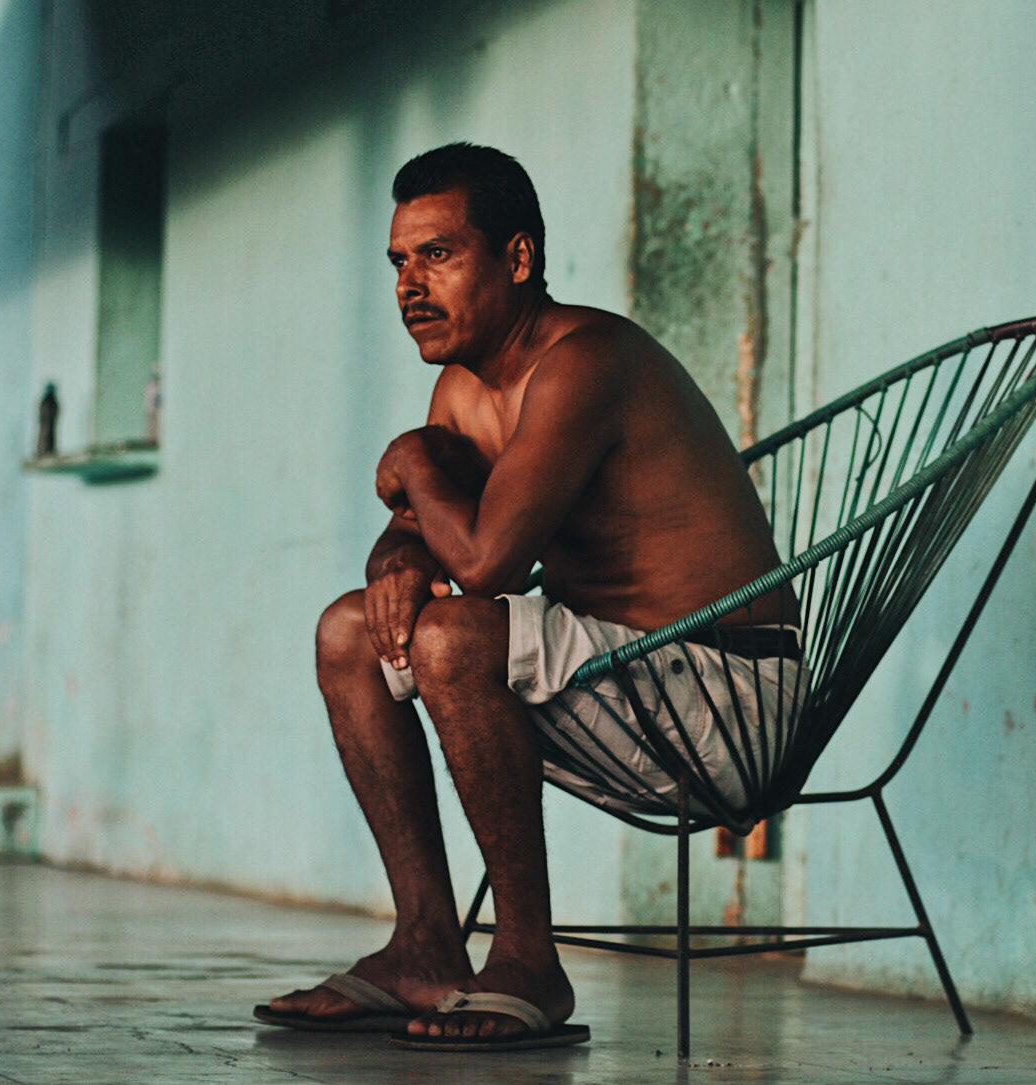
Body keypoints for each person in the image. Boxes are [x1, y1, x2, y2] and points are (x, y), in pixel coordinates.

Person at [253, 143, 795, 1051]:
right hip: (615, 676)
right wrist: (395, 552)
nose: (409, 287)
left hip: (726, 695)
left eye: (439, 255)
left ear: (517, 258)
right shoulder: (462, 386)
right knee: (349, 631)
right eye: (398, 261)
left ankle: (530, 961)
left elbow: (489, 562)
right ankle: (426, 942)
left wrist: (418, 466)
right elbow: (423, 538)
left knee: (457, 639)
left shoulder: (586, 361)